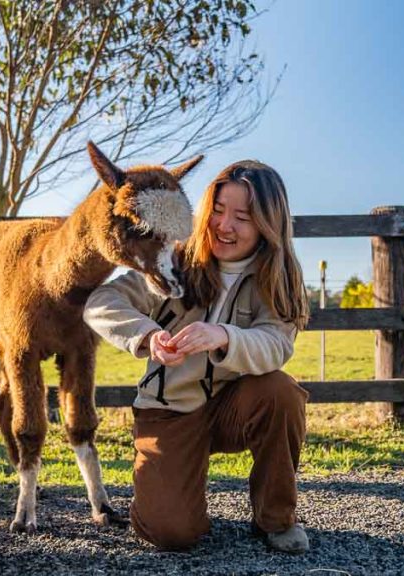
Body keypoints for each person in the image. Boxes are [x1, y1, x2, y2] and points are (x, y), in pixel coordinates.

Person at [83, 160, 311, 554]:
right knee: (172, 533)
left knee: (281, 391)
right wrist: (147, 335)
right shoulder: (174, 261)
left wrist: (223, 335)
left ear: (268, 223)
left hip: (234, 407)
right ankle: (169, 497)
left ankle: (275, 520)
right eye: (218, 210)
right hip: (170, 410)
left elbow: (277, 344)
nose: (225, 225)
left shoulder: (277, 276)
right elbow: (101, 302)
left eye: (243, 216)